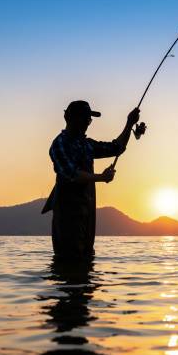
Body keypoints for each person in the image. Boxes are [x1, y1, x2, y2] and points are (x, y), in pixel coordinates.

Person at [42, 100, 140, 258]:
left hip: (86, 216)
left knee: (86, 261)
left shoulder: (87, 145)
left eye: (89, 119)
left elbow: (117, 147)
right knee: (68, 260)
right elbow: (71, 174)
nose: (88, 122)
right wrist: (101, 177)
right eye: (84, 118)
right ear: (69, 118)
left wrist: (129, 123)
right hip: (67, 216)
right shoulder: (59, 144)